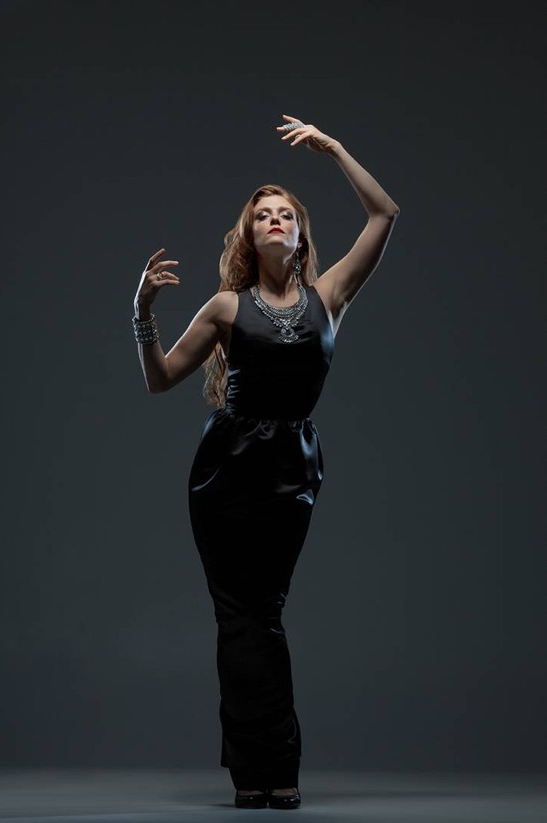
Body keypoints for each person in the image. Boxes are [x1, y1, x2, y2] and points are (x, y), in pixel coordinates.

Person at [132, 114, 400, 810]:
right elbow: (160, 378)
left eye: (286, 214)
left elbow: (384, 213)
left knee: (264, 613)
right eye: (263, 216)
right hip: (225, 472)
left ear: (301, 233)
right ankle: (263, 774)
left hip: (290, 470)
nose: (275, 220)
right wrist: (142, 311)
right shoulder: (226, 305)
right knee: (240, 616)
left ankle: (266, 764)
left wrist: (333, 147)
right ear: (249, 238)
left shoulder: (329, 296)